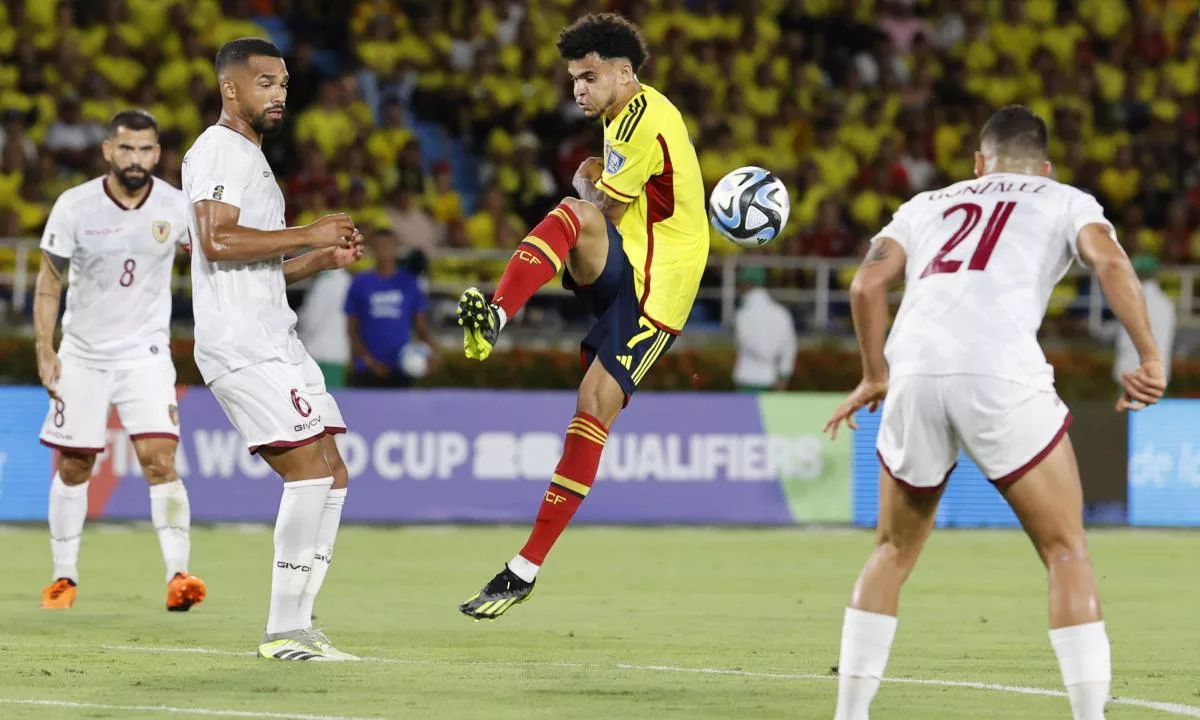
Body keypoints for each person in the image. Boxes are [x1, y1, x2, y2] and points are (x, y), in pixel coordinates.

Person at [823, 106, 1166, 720]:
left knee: (891, 552)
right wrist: (1148, 356)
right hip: (999, 370)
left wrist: (876, 375)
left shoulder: (927, 203)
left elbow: (865, 286)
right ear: (1045, 165)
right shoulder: (1066, 198)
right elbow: (1111, 263)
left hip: (915, 371)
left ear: (977, 164)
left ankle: (850, 714)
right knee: (1065, 550)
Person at [456, 13, 709, 620]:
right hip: (630, 267)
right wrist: (592, 186)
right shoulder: (620, 118)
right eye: (574, 78)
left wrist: (589, 184)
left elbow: (610, 211)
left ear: (625, 72)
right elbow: (609, 207)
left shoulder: (645, 117)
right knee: (576, 213)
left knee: (592, 409)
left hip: (658, 295)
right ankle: (494, 315)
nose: (579, 89)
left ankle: (523, 569)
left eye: (589, 76)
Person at [181, 38, 364, 662]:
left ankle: (302, 622)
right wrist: (306, 230)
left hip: (273, 336)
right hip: (242, 342)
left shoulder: (252, 159)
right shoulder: (218, 149)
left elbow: (256, 266)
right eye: (264, 82)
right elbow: (214, 240)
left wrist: (317, 256)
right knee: (307, 471)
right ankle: (283, 631)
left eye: (283, 82)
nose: (279, 93)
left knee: (334, 470)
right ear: (231, 89)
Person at [34, 109, 206, 612]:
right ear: (108, 150)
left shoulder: (176, 207)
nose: (137, 159)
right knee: (74, 464)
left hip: (145, 356)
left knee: (160, 461)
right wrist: (45, 347)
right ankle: (63, 578)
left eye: (146, 149)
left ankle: (179, 576)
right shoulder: (75, 205)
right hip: (82, 355)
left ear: (157, 152)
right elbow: (49, 281)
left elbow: (209, 264)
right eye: (126, 149)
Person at [344, 227, 439, 388]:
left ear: (396, 248)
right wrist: (368, 361)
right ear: (372, 249)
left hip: (402, 367)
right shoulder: (360, 282)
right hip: (367, 370)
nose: (384, 251)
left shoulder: (409, 283)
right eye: (379, 246)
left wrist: (434, 350)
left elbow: (420, 326)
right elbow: (352, 329)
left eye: (388, 246)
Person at [1112, 254, 1175, 387]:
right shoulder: (1166, 304)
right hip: (1158, 375)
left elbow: (1122, 338)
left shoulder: (1130, 301)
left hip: (1130, 374)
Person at [732, 266, 797, 392]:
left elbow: (748, 342)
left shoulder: (743, 314)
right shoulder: (781, 312)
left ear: (747, 285)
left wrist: (767, 355)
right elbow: (789, 346)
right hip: (772, 378)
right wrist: (784, 373)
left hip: (747, 378)